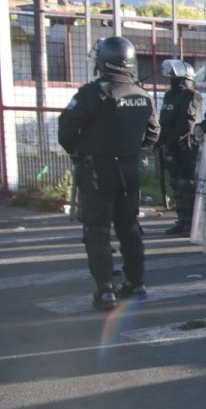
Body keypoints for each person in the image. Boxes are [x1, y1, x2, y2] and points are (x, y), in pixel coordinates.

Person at [58, 36, 160, 310]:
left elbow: (66, 131)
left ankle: (105, 290)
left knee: (97, 229)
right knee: (129, 226)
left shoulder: (92, 94)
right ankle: (136, 283)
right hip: (130, 167)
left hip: (98, 169)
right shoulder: (142, 95)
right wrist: (132, 149)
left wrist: (81, 149)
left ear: (104, 62)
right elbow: (153, 134)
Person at [156, 59, 201, 237]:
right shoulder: (169, 95)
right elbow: (164, 120)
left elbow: (187, 123)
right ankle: (181, 220)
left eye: (175, 77)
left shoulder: (192, 95)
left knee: (186, 185)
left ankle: (190, 223)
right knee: (175, 184)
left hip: (185, 146)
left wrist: (172, 144)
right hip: (169, 145)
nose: (172, 81)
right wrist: (161, 142)